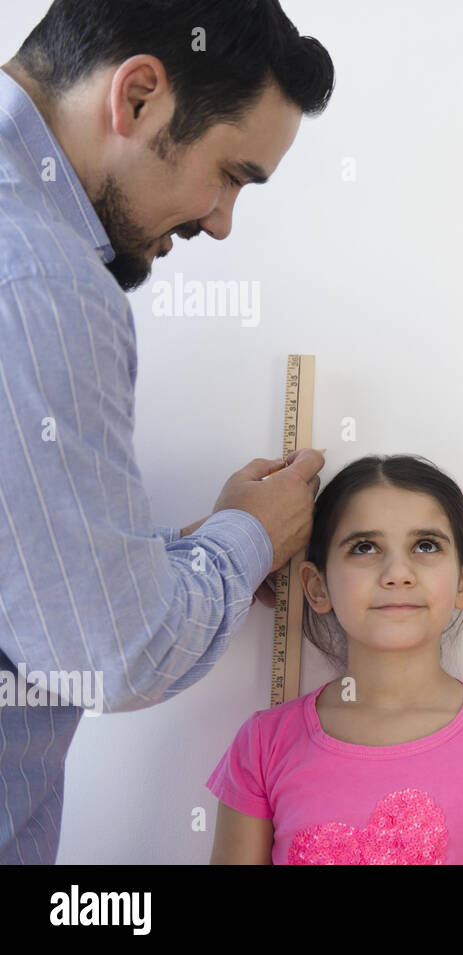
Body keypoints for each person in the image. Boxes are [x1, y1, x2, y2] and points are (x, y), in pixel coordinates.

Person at [0, 0, 334, 863]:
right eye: (230, 174)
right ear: (139, 96)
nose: (220, 220)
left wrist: (171, 555)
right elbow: (118, 650)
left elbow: (30, 574)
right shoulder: (44, 281)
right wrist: (247, 538)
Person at [207, 455, 463, 864]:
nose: (398, 573)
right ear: (317, 587)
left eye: (425, 546)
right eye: (365, 547)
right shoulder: (263, 745)